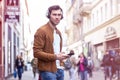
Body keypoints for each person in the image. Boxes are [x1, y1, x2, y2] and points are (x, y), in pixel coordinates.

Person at [33, 5, 69, 80]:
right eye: (54, 14)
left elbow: (54, 51)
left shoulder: (58, 32)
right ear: (49, 15)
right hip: (47, 70)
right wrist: (55, 56)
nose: (57, 17)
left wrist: (62, 55)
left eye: (59, 15)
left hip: (59, 69)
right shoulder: (41, 31)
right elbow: (36, 52)